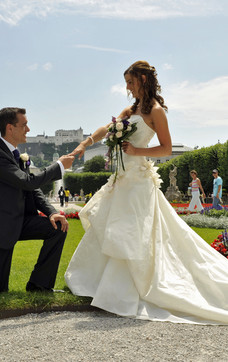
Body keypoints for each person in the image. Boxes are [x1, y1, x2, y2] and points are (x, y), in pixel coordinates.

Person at [65, 61, 228, 324]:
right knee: (112, 227)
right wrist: (85, 143)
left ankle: (124, 289)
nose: (127, 88)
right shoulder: (131, 109)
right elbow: (108, 128)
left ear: (142, 79)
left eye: (130, 82)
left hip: (138, 179)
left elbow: (165, 148)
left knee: (129, 231)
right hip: (121, 177)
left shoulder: (156, 111)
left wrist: (137, 151)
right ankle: (100, 284)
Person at [0, 107, 75, 293]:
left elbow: (33, 190)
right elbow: (27, 182)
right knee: (1, 291)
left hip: (19, 221)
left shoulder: (16, 155)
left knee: (58, 229)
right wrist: (58, 166)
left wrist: (52, 212)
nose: (28, 129)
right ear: (10, 128)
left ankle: (39, 286)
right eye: (24, 125)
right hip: (3, 226)